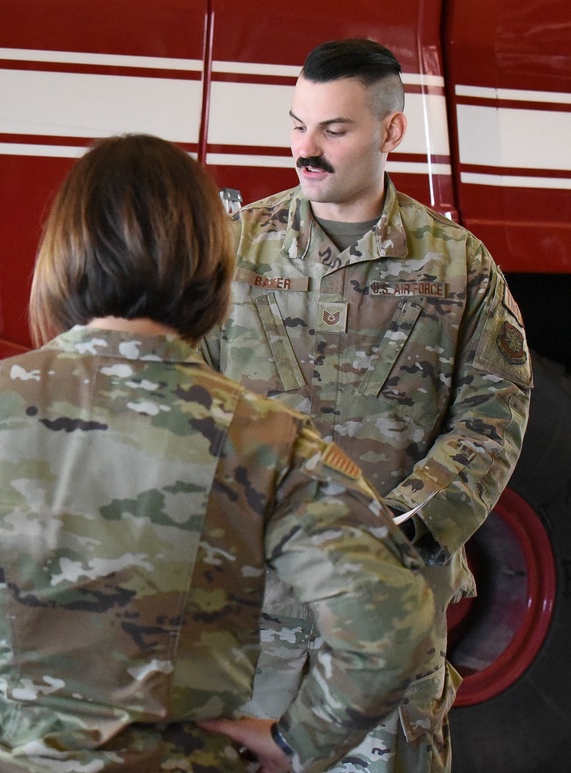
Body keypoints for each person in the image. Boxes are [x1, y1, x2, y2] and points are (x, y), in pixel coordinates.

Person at [0, 133, 433, 772]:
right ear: (211, 263)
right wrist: (297, 737)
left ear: (63, 256)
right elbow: (387, 620)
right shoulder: (269, 440)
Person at [200, 39, 533, 773]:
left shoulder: (457, 264)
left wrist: (404, 529)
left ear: (390, 131)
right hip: (256, 612)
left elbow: (493, 410)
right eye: (297, 126)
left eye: (333, 129)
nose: (306, 150)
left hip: (390, 608)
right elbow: (178, 403)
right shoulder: (230, 252)